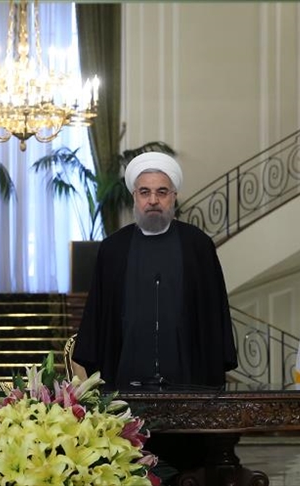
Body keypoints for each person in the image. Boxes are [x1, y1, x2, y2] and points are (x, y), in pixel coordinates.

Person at [72, 151, 238, 474]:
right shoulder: (114, 249)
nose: (153, 201)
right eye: (145, 192)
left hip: (188, 386)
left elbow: (215, 315)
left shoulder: (198, 246)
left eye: (162, 192)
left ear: (174, 197)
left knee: (188, 470)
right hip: (125, 387)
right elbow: (98, 318)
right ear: (134, 197)